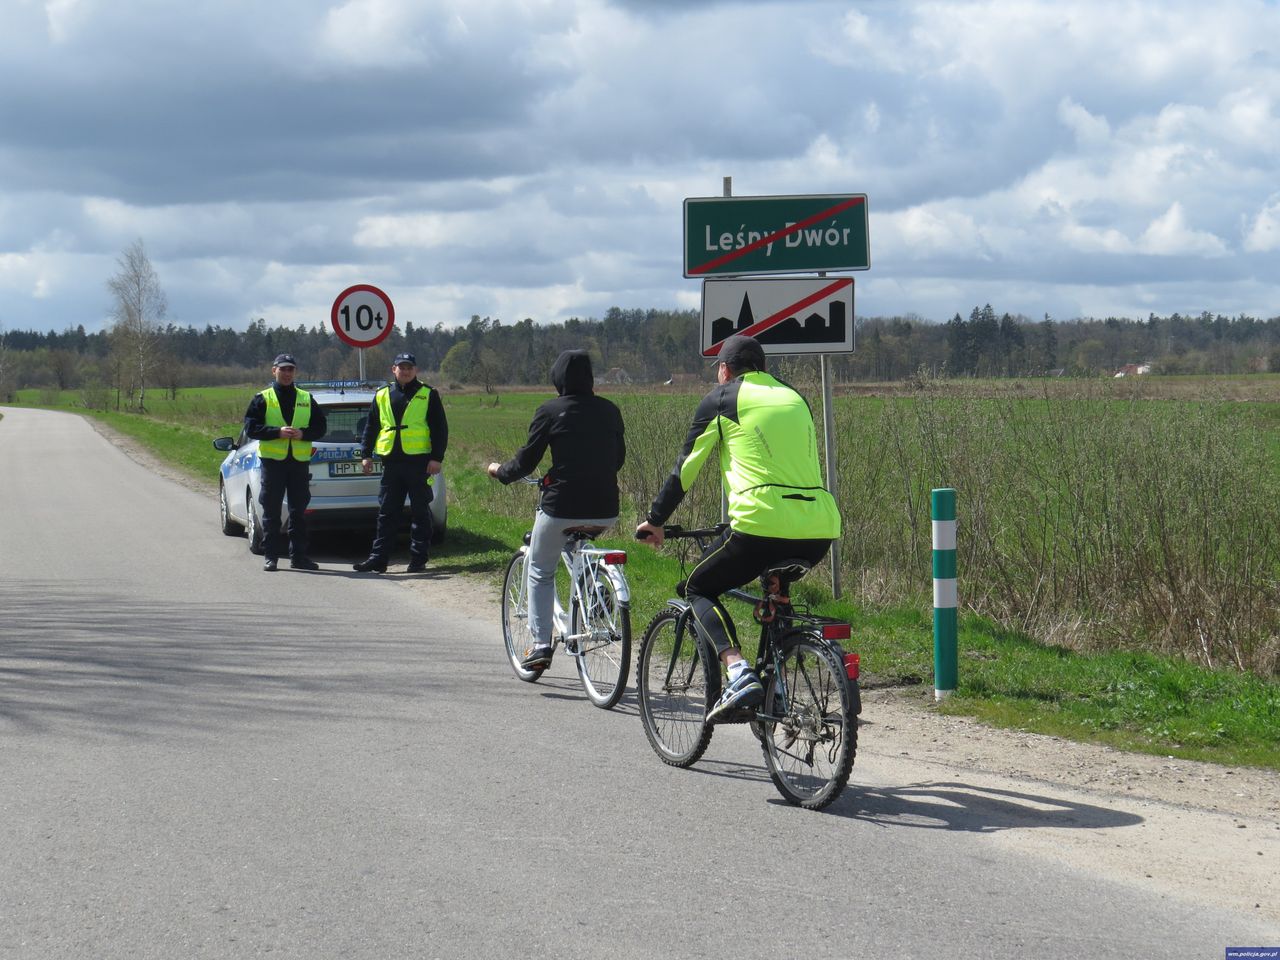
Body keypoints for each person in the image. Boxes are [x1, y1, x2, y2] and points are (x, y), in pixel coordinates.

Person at [635, 334, 841, 721]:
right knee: (775, 595)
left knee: (697, 588)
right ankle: (777, 693)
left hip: (760, 523)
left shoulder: (724, 398)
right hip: (819, 527)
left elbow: (686, 468)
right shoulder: (796, 398)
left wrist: (656, 520)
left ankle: (738, 671)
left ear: (724, 370)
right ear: (763, 367)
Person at [487, 350, 625, 669]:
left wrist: (499, 471)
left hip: (560, 505)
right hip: (606, 508)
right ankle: (595, 589)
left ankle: (540, 645)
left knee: (539, 567)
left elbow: (526, 462)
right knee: (577, 544)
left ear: (558, 379)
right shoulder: (610, 410)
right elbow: (617, 459)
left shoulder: (549, 411)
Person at [353, 353, 448, 573]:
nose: (405, 371)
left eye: (409, 368)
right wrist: (366, 454)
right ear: (393, 369)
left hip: (418, 462)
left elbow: (440, 428)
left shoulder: (428, 394)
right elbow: (371, 426)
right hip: (391, 463)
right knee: (387, 512)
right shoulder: (382, 394)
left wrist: (437, 458)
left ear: (416, 370)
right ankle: (379, 559)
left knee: (420, 512)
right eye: (401, 367)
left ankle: (418, 559)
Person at [242, 353, 328, 572]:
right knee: (271, 511)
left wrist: (304, 434)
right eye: (283, 369)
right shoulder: (262, 398)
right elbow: (251, 428)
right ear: (274, 371)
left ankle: (299, 557)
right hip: (273, 463)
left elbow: (321, 427)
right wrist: (277, 432)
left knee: (299, 512)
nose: (287, 373)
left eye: (291, 369)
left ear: (295, 372)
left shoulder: (306, 398)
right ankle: (271, 557)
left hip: (299, 463)